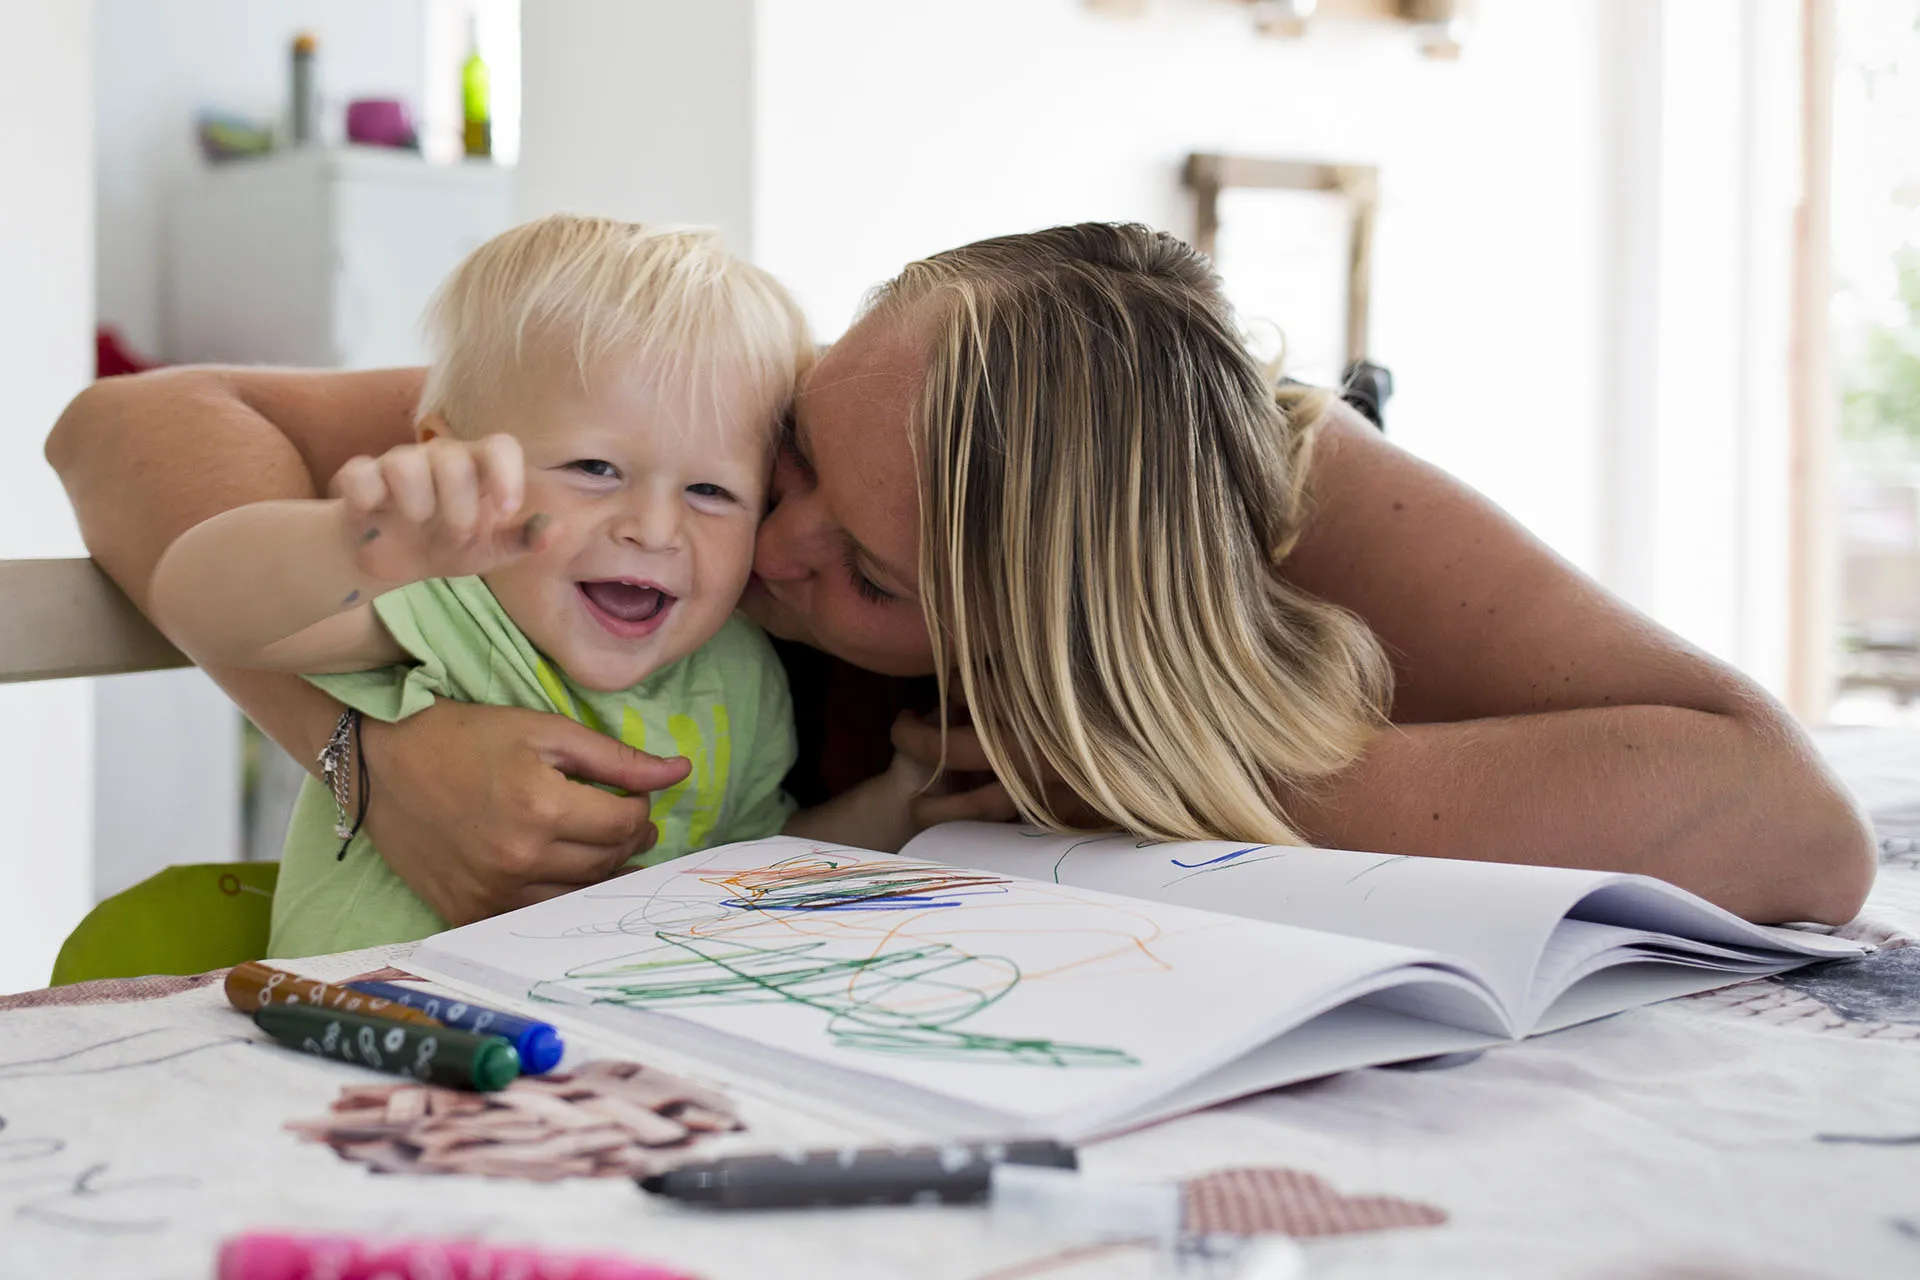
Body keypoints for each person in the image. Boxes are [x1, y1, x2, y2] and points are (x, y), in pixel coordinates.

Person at [47, 223, 1877, 931]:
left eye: (864, 574)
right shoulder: (720, 397)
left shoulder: (1282, 479)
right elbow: (140, 428)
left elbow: (1790, 821)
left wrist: (1159, 765)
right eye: (804, 459)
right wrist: (386, 743)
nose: (756, 542)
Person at [142, 215, 923, 956]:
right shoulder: (454, 597)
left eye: (711, 493)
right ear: (450, 453)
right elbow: (198, 605)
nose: (654, 529)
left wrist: (898, 805)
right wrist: (352, 548)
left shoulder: (740, 672)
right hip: (360, 1045)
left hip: (586, 1070)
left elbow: (757, 866)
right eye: (594, 468)